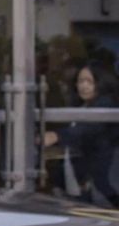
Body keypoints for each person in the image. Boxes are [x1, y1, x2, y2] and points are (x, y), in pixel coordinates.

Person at [43, 63, 118, 206]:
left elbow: (87, 129)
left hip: (103, 184)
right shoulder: (82, 107)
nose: (83, 86)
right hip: (85, 182)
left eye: (89, 81)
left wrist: (56, 136)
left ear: (102, 82)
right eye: (80, 81)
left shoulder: (106, 104)